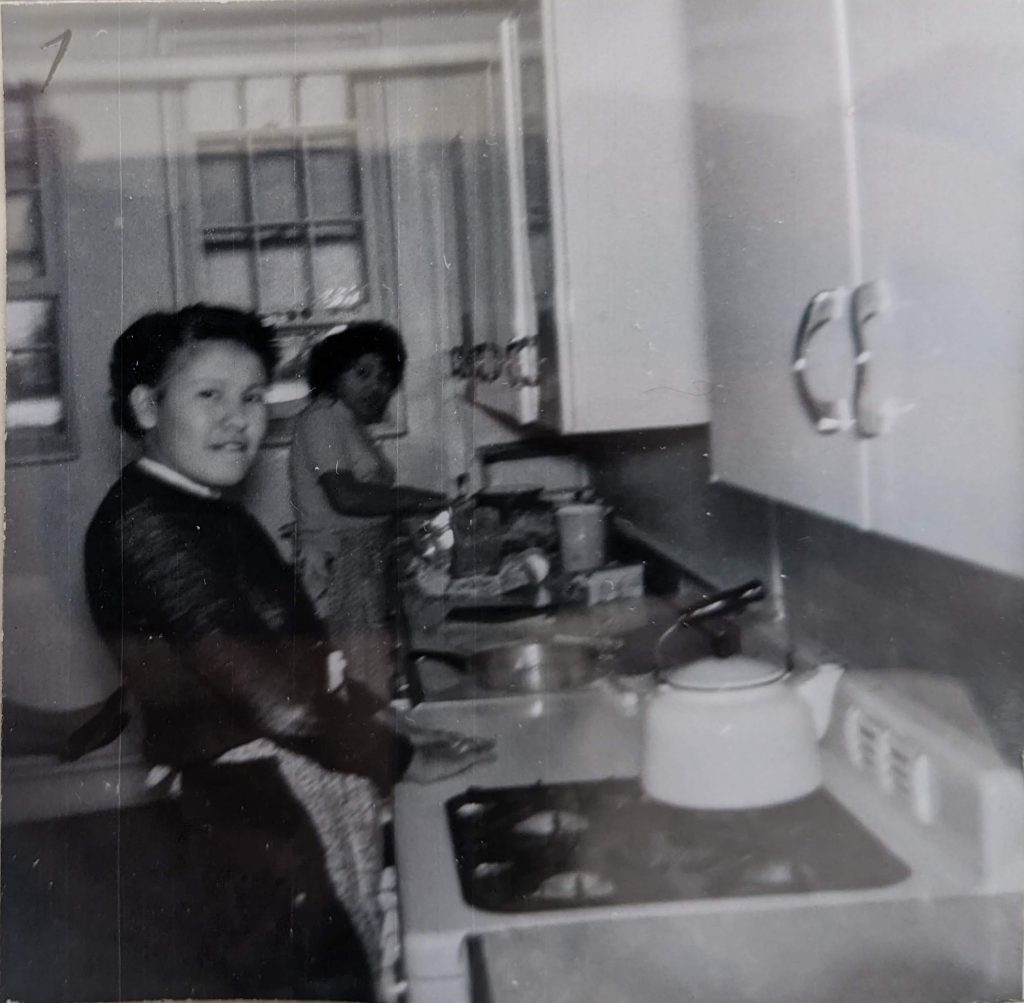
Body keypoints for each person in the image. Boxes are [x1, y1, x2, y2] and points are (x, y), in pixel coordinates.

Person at [84, 305, 486, 1000]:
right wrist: (402, 758)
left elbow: (302, 658)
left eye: (251, 397)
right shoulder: (144, 525)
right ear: (147, 405)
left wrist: (394, 719)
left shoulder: (204, 504)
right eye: (208, 395)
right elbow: (274, 697)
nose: (238, 419)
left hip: (285, 791)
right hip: (254, 816)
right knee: (309, 979)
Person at [289, 322, 447, 702]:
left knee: (370, 678)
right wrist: (419, 499)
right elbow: (346, 496)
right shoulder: (321, 418)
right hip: (339, 567)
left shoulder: (349, 422)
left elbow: (371, 501)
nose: (375, 386)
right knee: (358, 686)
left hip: (364, 566)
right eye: (362, 373)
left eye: (384, 377)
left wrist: (409, 535)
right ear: (333, 373)